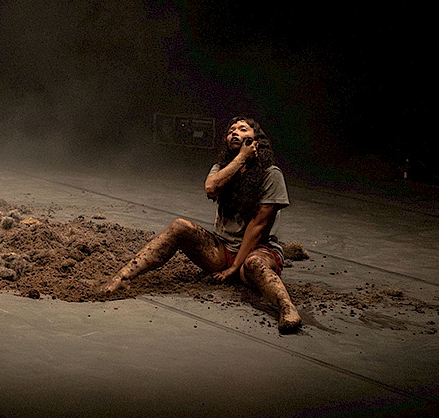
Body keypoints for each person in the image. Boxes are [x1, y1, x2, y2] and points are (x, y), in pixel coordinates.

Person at [102, 117, 303, 333]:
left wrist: (235, 267)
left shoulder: (271, 174)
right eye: (231, 130)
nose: (234, 133)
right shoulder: (223, 168)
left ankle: (287, 308)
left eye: (243, 129)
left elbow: (258, 226)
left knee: (254, 264)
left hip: (258, 250)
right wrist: (241, 159)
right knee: (180, 226)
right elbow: (211, 187)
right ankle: (122, 277)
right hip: (222, 250)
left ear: (256, 139)